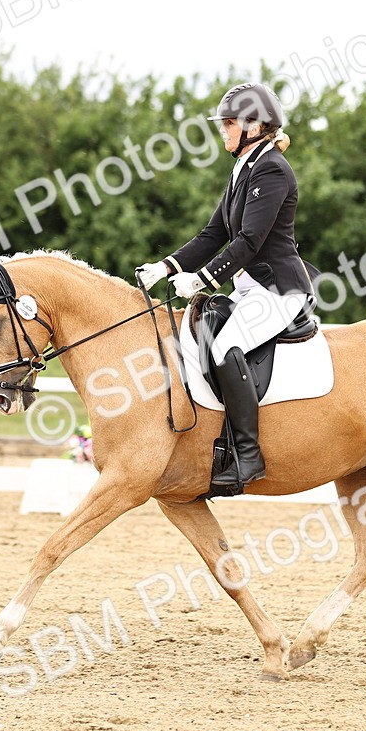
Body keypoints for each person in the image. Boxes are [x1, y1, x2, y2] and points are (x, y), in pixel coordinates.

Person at [136, 81, 318, 490]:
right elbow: (213, 232)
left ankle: (248, 455)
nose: (223, 130)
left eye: (229, 123)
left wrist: (202, 279)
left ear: (254, 126)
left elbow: (250, 240)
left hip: (280, 291)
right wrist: (166, 267)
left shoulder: (271, 169)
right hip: (250, 289)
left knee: (224, 347)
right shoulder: (244, 168)